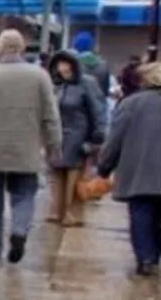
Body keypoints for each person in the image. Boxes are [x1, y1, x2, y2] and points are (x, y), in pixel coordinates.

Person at [0, 29, 61, 263]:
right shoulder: (39, 77)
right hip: (27, 149)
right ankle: (19, 231)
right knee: (25, 194)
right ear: (22, 49)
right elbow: (50, 115)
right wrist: (53, 144)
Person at [97, 61, 161, 276]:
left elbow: (115, 139)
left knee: (141, 214)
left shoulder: (131, 104)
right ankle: (154, 253)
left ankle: (145, 258)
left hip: (139, 172)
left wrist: (104, 166)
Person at [45, 50, 106, 227]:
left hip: (78, 138)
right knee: (56, 174)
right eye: (58, 64)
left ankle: (72, 213)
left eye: (65, 63)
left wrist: (97, 137)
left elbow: (98, 111)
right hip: (58, 137)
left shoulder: (87, 84)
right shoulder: (57, 85)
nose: (62, 68)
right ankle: (57, 210)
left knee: (75, 177)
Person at [73, 31, 111, 103]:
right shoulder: (103, 64)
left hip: (77, 105)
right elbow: (106, 90)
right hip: (97, 104)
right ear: (92, 46)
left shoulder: (72, 63)